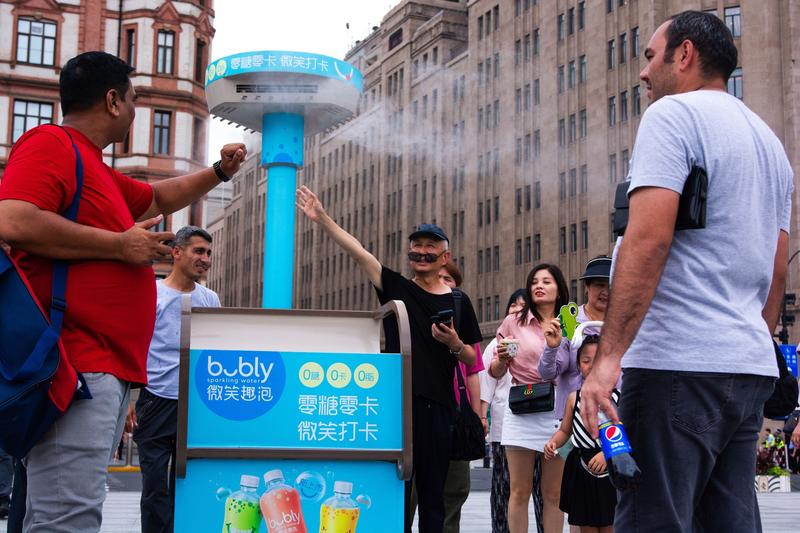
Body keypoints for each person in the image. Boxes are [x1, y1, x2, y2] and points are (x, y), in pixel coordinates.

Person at [0, 51, 245, 532]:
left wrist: (219, 172)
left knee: (67, 509)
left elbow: (156, 197)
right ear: (113, 101)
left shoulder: (94, 167)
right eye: (134, 100)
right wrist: (120, 244)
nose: (135, 110)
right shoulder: (50, 143)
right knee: (67, 515)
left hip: (98, 369)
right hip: (74, 363)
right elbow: (12, 218)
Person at [580, 11, 793, 532]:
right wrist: (744, 341)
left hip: (676, 365)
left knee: (656, 518)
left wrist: (607, 360)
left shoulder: (673, 116)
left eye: (650, 56)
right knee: (730, 520)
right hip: (745, 368)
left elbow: (647, 240)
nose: (643, 73)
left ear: (685, 54)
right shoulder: (771, 146)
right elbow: (777, 269)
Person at [296, 187, 482, 533]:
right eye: (417, 246)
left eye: (430, 247)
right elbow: (359, 254)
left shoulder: (458, 300)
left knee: (433, 498)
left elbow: (471, 355)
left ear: (445, 256)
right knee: (396, 494)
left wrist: (455, 342)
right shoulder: (396, 286)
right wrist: (323, 219)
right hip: (395, 406)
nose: (421, 252)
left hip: (440, 409)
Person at [132, 226, 220, 533]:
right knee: (155, 485)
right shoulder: (152, 294)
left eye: (208, 253)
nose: (205, 259)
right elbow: (135, 347)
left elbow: (215, 352)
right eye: (199, 251)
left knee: (188, 482)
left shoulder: (211, 299)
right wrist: (130, 400)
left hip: (196, 404)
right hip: (156, 399)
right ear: (177, 252)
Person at [490, 264, 570, 533]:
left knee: (553, 493)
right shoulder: (514, 321)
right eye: (535, 281)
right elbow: (495, 370)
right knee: (519, 491)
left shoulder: (570, 321)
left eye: (547, 281)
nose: (539, 285)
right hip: (522, 407)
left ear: (559, 288)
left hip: (558, 411)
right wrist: (502, 359)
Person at [544, 334, 616, 533]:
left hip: (610, 464)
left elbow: (624, 431)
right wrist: (553, 442)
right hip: (581, 466)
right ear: (578, 366)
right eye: (586, 361)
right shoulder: (573, 398)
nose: (592, 366)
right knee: (585, 525)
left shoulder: (617, 397)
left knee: (610, 523)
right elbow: (566, 430)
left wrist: (606, 453)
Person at [437, 261, 484, 533]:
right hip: (422, 415)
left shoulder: (464, 318)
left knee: (454, 491)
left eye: (449, 279)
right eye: (438, 277)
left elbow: (473, 373)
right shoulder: (416, 314)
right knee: (413, 494)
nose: (443, 282)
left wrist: (478, 416)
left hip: (457, 418)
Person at [479, 289, 525, 533]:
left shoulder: (537, 340)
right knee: (502, 487)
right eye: (513, 306)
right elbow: (487, 384)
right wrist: (482, 416)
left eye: (523, 306)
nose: (517, 310)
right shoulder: (496, 345)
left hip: (534, 423)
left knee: (537, 489)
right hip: (504, 426)